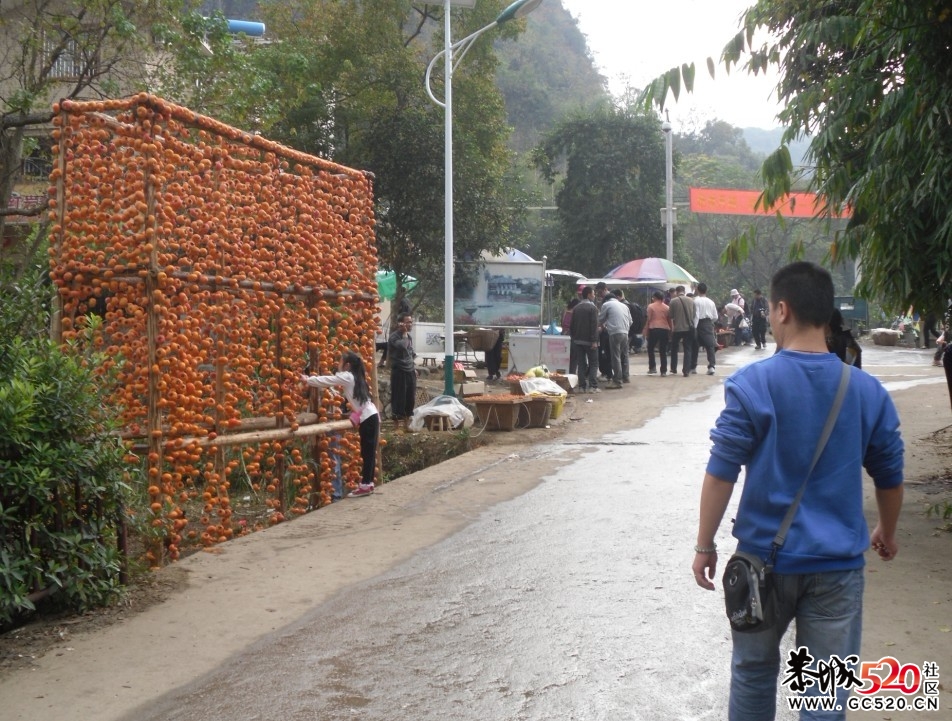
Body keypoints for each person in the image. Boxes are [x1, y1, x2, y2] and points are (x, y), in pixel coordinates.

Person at [692, 261, 904, 720]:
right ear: (826, 315)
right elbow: (890, 473)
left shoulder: (753, 384)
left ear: (782, 309)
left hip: (760, 565)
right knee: (825, 695)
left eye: (770, 310)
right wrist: (887, 529)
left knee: (752, 672)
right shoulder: (867, 391)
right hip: (837, 570)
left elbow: (722, 470)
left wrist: (705, 545)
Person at [302, 351, 381, 498]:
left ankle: (366, 484)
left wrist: (308, 380)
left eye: (340, 361)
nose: (337, 364)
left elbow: (328, 380)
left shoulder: (347, 376)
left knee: (368, 452)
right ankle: (368, 483)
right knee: (368, 452)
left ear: (347, 365)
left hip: (369, 418)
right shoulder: (357, 376)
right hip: (371, 416)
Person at [388, 312, 416, 432]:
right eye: (408, 322)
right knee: (399, 397)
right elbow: (402, 347)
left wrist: (414, 368)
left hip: (410, 371)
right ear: (401, 323)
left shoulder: (408, 337)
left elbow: (410, 353)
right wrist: (404, 333)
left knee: (410, 398)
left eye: (411, 322)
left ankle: (406, 425)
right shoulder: (394, 337)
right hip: (399, 371)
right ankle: (396, 426)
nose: (410, 324)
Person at [599, 289, 632, 388]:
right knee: (624, 355)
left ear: (606, 300)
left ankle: (617, 381)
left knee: (615, 357)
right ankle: (625, 377)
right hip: (625, 332)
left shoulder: (606, 305)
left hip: (614, 333)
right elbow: (631, 321)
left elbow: (600, 319)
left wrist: (604, 327)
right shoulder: (624, 306)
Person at [570, 286, 600, 393]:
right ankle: (593, 386)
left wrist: (574, 338)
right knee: (593, 363)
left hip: (578, 341)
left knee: (581, 364)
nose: (594, 295)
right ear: (588, 295)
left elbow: (572, 326)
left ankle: (582, 387)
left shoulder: (576, 308)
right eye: (593, 293)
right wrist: (594, 341)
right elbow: (594, 326)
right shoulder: (593, 308)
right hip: (590, 341)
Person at [668, 285, 695, 377]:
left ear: (676, 291)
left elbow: (670, 315)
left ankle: (673, 368)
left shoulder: (673, 301)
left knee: (674, 348)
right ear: (684, 291)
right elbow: (694, 315)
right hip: (688, 329)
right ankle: (686, 370)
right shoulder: (691, 301)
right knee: (687, 349)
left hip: (677, 328)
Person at [643, 290, 672, 376]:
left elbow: (649, 319)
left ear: (655, 298)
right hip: (664, 329)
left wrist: (645, 330)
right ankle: (663, 371)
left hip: (654, 329)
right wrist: (671, 330)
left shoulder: (651, 306)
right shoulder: (667, 307)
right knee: (663, 350)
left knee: (650, 348)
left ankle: (652, 367)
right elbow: (669, 320)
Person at [692, 282, 719, 375]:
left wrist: (694, 327)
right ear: (706, 290)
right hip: (708, 323)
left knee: (695, 345)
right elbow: (715, 316)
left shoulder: (696, 301)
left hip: (699, 323)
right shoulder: (711, 302)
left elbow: (696, 315)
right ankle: (711, 366)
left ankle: (693, 367)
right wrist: (710, 323)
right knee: (710, 346)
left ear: (697, 290)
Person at [563, 298, 580, 375]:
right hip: (572, 336)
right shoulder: (575, 313)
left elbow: (562, 323)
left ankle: (566, 372)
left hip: (564, 335)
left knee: (566, 355)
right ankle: (572, 374)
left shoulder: (565, 311)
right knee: (574, 356)